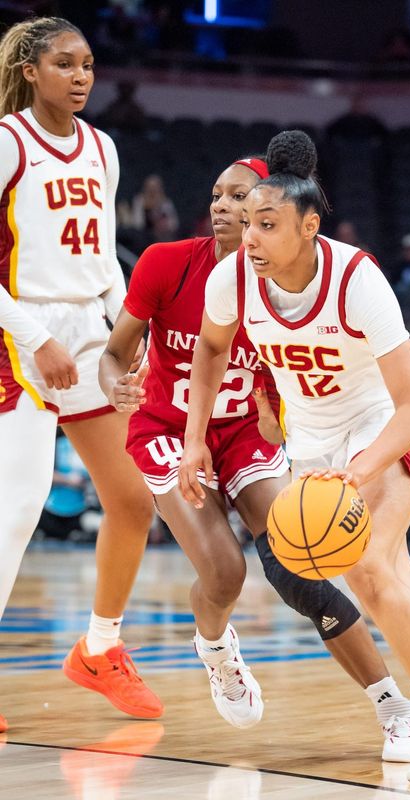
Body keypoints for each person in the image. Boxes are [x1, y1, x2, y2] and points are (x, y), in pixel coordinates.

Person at [178, 130, 410, 786]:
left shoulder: (356, 278)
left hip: (384, 429)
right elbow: (211, 349)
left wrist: (360, 471)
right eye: (247, 225)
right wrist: (192, 437)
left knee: (377, 578)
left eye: (267, 225)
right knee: (390, 600)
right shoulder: (231, 280)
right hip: (311, 444)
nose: (251, 238)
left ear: (308, 226)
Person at [99, 154, 410, 753]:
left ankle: (392, 702)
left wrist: (285, 422)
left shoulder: (301, 280)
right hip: (168, 427)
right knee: (225, 573)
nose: (227, 209)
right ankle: (217, 649)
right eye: (219, 196)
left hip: (245, 433)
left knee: (297, 563)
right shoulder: (167, 264)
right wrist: (115, 383)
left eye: (244, 199)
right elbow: (122, 353)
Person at [0, 17, 159, 733]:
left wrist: (126, 341)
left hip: (84, 334)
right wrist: (36, 337)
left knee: (132, 501)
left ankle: (99, 649)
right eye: (65, 63)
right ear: (30, 71)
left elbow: (101, 267)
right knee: (17, 512)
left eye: (89, 63)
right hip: (16, 334)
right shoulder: (7, 142)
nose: (82, 75)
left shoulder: (103, 147)